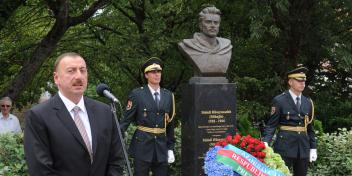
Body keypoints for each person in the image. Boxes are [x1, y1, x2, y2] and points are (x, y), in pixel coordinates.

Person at [24, 52, 125, 175]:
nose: (79, 76)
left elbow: (116, 159)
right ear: (56, 78)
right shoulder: (38, 116)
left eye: (83, 70)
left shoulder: (105, 112)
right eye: (71, 71)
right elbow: (40, 170)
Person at [120, 57, 176, 176]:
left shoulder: (168, 95)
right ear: (146, 75)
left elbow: (170, 123)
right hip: (142, 145)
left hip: (161, 145)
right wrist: (116, 141)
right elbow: (125, 121)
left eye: (159, 71)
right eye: (153, 72)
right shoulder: (137, 94)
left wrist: (170, 148)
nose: (157, 75)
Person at [263, 67, 317, 176]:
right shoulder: (279, 100)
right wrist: (265, 143)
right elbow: (271, 125)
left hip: (303, 147)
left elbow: (310, 128)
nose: (302, 83)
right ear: (290, 82)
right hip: (284, 146)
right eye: (299, 81)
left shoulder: (308, 102)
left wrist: (313, 147)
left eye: (304, 81)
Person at [178, 6, 232, 76]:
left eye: (216, 23)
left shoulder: (226, 47)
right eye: (208, 22)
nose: (213, 25)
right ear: (200, 25)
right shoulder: (188, 46)